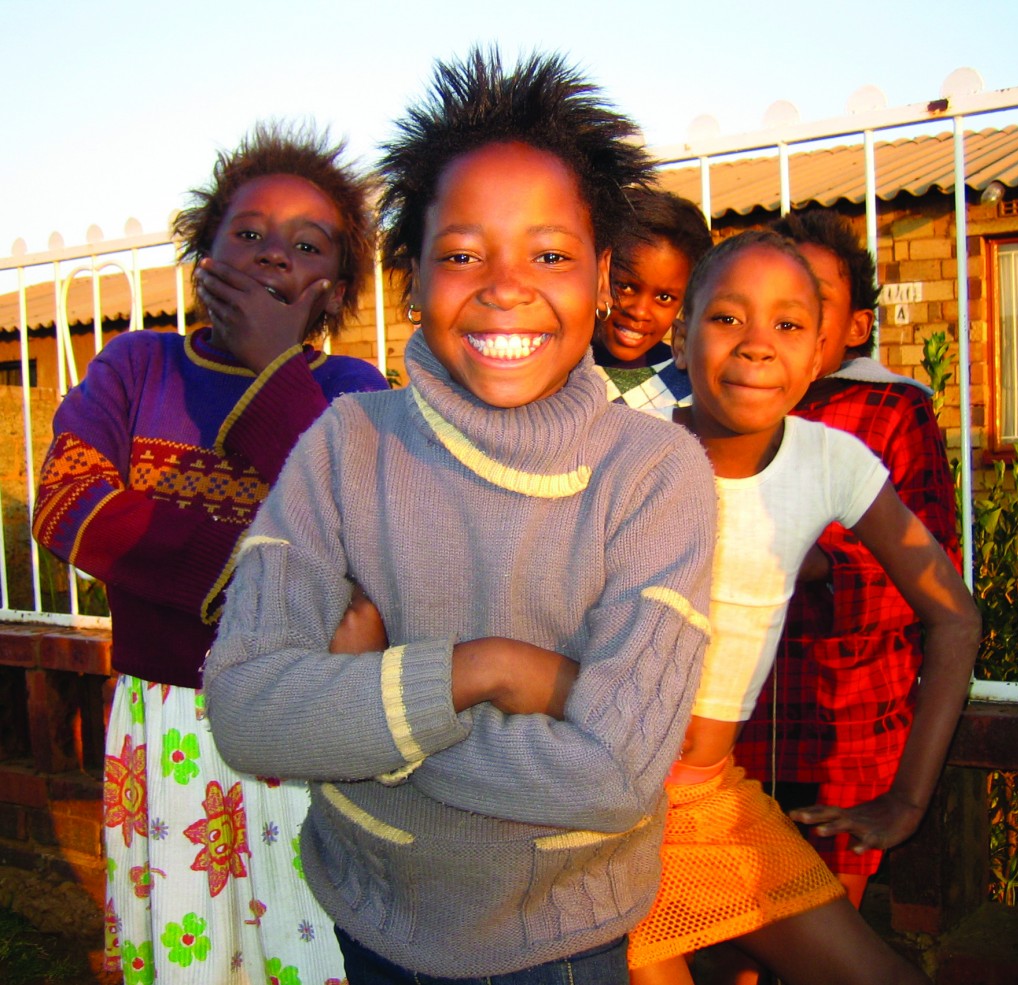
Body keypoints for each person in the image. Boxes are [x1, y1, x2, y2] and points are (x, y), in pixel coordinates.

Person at [204, 48, 716, 985]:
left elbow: (614, 773)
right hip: (373, 912)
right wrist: (494, 672)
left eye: (550, 253)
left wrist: (367, 722)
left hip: (561, 941)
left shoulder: (654, 474)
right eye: (462, 253)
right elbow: (246, 710)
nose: (505, 284)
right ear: (412, 275)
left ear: (602, 277)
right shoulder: (346, 446)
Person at [32, 122, 388, 984]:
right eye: (250, 234)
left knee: (311, 945)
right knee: (187, 949)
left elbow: (358, 537)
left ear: (338, 287)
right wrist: (276, 580)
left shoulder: (351, 394)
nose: (274, 257)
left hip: (304, 723)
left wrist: (274, 369)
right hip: (169, 727)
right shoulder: (134, 367)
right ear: (204, 253)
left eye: (306, 246)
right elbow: (69, 505)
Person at [626, 230, 979, 985]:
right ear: (680, 337)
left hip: (714, 802)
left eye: (787, 325)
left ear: (821, 350)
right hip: (603, 814)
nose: (757, 346)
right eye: (727, 318)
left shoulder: (831, 461)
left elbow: (955, 616)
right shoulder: (627, 452)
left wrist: (908, 798)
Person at [733, 209, 961, 909]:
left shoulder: (890, 411)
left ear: (856, 326)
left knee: (822, 930)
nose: (776, 327)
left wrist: (826, 566)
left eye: (809, 301)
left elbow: (936, 582)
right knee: (728, 939)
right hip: (732, 740)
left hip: (845, 734)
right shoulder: (729, 406)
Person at [592, 187, 710, 418]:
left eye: (664, 298)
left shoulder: (693, 386)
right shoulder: (559, 369)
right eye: (625, 286)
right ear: (600, 269)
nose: (639, 312)